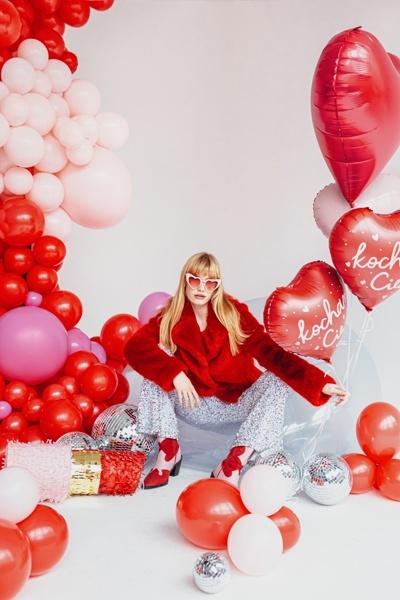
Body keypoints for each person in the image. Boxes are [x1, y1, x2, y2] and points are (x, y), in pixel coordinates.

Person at [124, 252, 349, 489]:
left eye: (209, 282)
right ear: (185, 281)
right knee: (155, 371)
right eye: (195, 280)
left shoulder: (234, 313)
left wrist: (320, 383)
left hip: (235, 404)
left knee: (277, 380)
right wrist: (174, 373)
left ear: (217, 286)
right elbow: (134, 347)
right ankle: (168, 452)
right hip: (193, 402)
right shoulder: (170, 316)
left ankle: (234, 462)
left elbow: (273, 353)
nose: (201, 288)